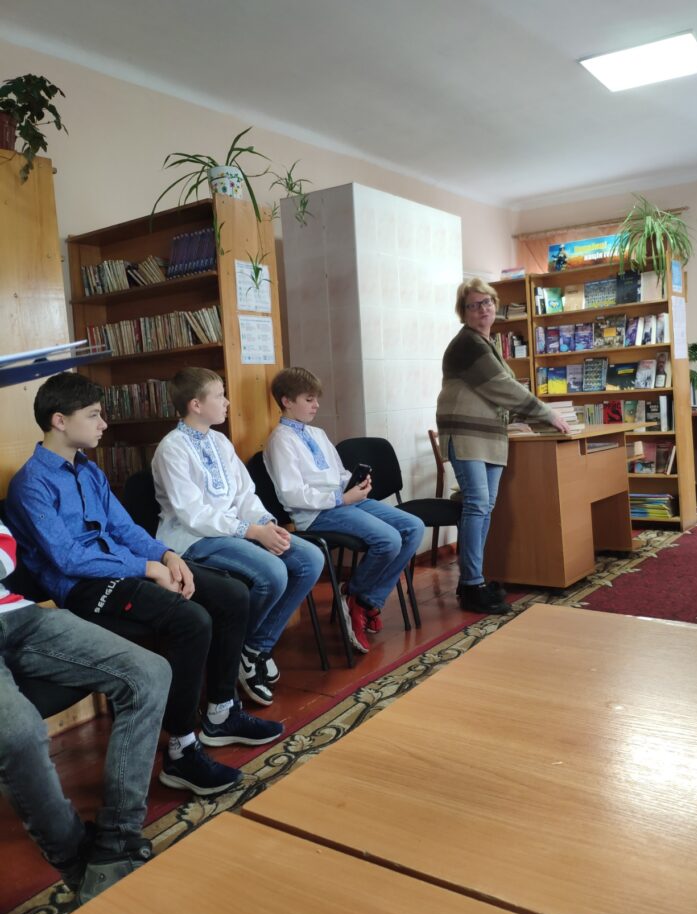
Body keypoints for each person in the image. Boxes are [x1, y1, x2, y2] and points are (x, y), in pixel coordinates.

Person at [5, 372, 284, 799]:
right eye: (93, 415)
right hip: (84, 587)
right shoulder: (31, 484)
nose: (103, 424)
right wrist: (146, 567)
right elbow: (67, 558)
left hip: (125, 569)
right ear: (59, 421)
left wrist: (167, 556)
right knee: (192, 621)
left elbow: (124, 528)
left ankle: (221, 712)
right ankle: (181, 751)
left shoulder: (89, 471)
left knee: (232, 595)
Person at [0, 516, 171, 904]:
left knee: (150, 673)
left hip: (17, 614)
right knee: (17, 733)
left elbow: (6, 547)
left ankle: (118, 840)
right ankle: (77, 863)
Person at [151, 368, 324, 705]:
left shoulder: (219, 441)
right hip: (193, 539)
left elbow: (245, 494)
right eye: (219, 396)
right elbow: (193, 514)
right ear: (196, 405)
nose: (227, 402)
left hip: (234, 530)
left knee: (309, 559)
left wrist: (266, 523)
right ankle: (242, 651)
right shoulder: (172, 449)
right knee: (273, 573)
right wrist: (251, 531)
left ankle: (253, 647)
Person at [264, 367, 425, 654]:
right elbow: (292, 494)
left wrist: (356, 484)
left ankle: (361, 598)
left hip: (346, 501)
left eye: (316, 399)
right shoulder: (280, 440)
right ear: (287, 401)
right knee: (389, 539)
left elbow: (338, 473)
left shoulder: (317, 433)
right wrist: (340, 498)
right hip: (316, 514)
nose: (316, 405)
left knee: (414, 527)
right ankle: (360, 600)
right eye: (309, 399)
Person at [436, 278, 571, 615]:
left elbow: (500, 390)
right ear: (463, 312)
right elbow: (502, 387)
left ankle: (473, 580)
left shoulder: (487, 342)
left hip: (489, 437)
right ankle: (472, 585)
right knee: (477, 506)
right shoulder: (468, 343)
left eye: (487, 302)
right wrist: (546, 413)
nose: (482, 309)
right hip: (467, 436)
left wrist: (527, 418)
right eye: (474, 305)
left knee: (484, 507)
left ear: (495, 305)